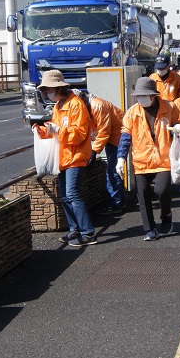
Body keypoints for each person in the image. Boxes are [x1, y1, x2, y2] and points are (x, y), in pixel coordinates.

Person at [33, 70, 97, 247]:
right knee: (65, 196)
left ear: (58, 88)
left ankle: (88, 232)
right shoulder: (59, 105)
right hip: (62, 157)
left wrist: (57, 131)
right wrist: (44, 131)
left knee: (72, 194)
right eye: (46, 90)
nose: (47, 93)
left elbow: (80, 134)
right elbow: (56, 133)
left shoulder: (76, 104)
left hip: (75, 156)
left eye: (48, 89)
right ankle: (74, 229)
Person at [116, 77, 180, 241]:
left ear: (153, 95)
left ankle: (166, 216)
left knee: (162, 190)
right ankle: (150, 229)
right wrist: (121, 158)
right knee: (143, 195)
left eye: (144, 95)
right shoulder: (132, 112)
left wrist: (178, 129)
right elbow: (125, 136)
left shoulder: (169, 107)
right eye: (139, 96)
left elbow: (178, 124)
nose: (141, 99)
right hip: (141, 160)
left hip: (163, 159)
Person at [73, 89, 126, 214]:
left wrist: (94, 151)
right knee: (113, 170)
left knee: (113, 171)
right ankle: (120, 201)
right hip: (112, 137)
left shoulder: (98, 106)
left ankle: (115, 204)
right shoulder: (89, 106)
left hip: (119, 137)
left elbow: (103, 132)